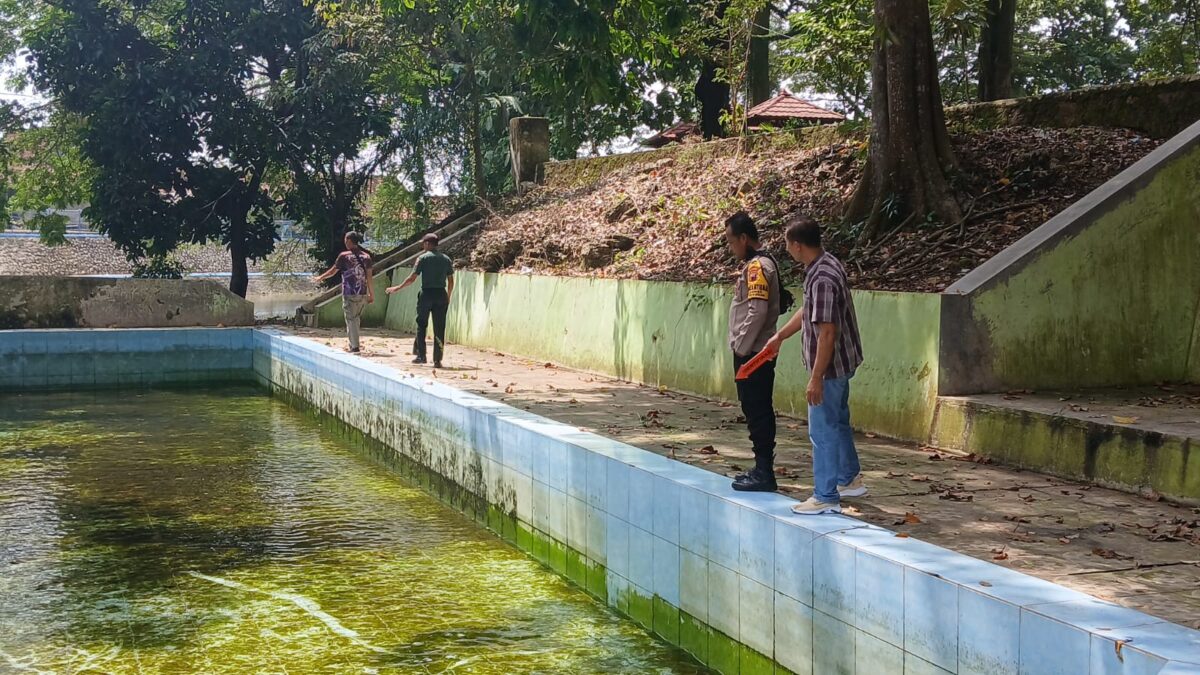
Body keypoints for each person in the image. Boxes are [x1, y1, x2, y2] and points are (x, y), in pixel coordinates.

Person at [761, 214, 866, 515]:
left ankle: (825, 495)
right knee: (838, 421)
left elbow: (827, 331)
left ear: (796, 245)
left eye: (787, 244)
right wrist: (780, 336)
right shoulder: (825, 264)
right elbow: (810, 311)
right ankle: (849, 478)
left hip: (830, 368)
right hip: (843, 362)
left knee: (822, 430)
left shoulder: (820, 278)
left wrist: (816, 378)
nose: (787, 249)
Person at [724, 211, 783, 492]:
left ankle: (764, 471)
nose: (731, 248)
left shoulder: (758, 268)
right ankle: (761, 467)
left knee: (758, 410)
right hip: (755, 352)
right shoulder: (759, 264)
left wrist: (741, 348)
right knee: (754, 408)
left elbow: (757, 312)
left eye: (731, 241)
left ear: (744, 238)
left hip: (754, 354)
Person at [386, 233, 455, 368]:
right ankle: (437, 360)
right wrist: (448, 295)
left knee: (421, 324)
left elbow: (412, 278)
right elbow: (451, 280)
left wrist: (397, 288)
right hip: (441, 294)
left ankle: (421, 356)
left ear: (428, 244)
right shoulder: (446, 259)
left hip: (427, 295)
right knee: (439, 328)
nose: (423, 246)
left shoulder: (422, 258)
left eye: (424, 243)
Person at [314, 231, 373, 353]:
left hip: (349, 292)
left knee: (351, 319)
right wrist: (371, 293)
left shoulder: (344, 256)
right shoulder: (366, 257)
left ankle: (354, 346)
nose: (345, 242)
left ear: (349, 241)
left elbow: (333, 271)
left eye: (346, 240)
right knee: (356, 319)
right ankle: (354, 344)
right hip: (362, 292)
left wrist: (321, 277)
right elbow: (369, 277)